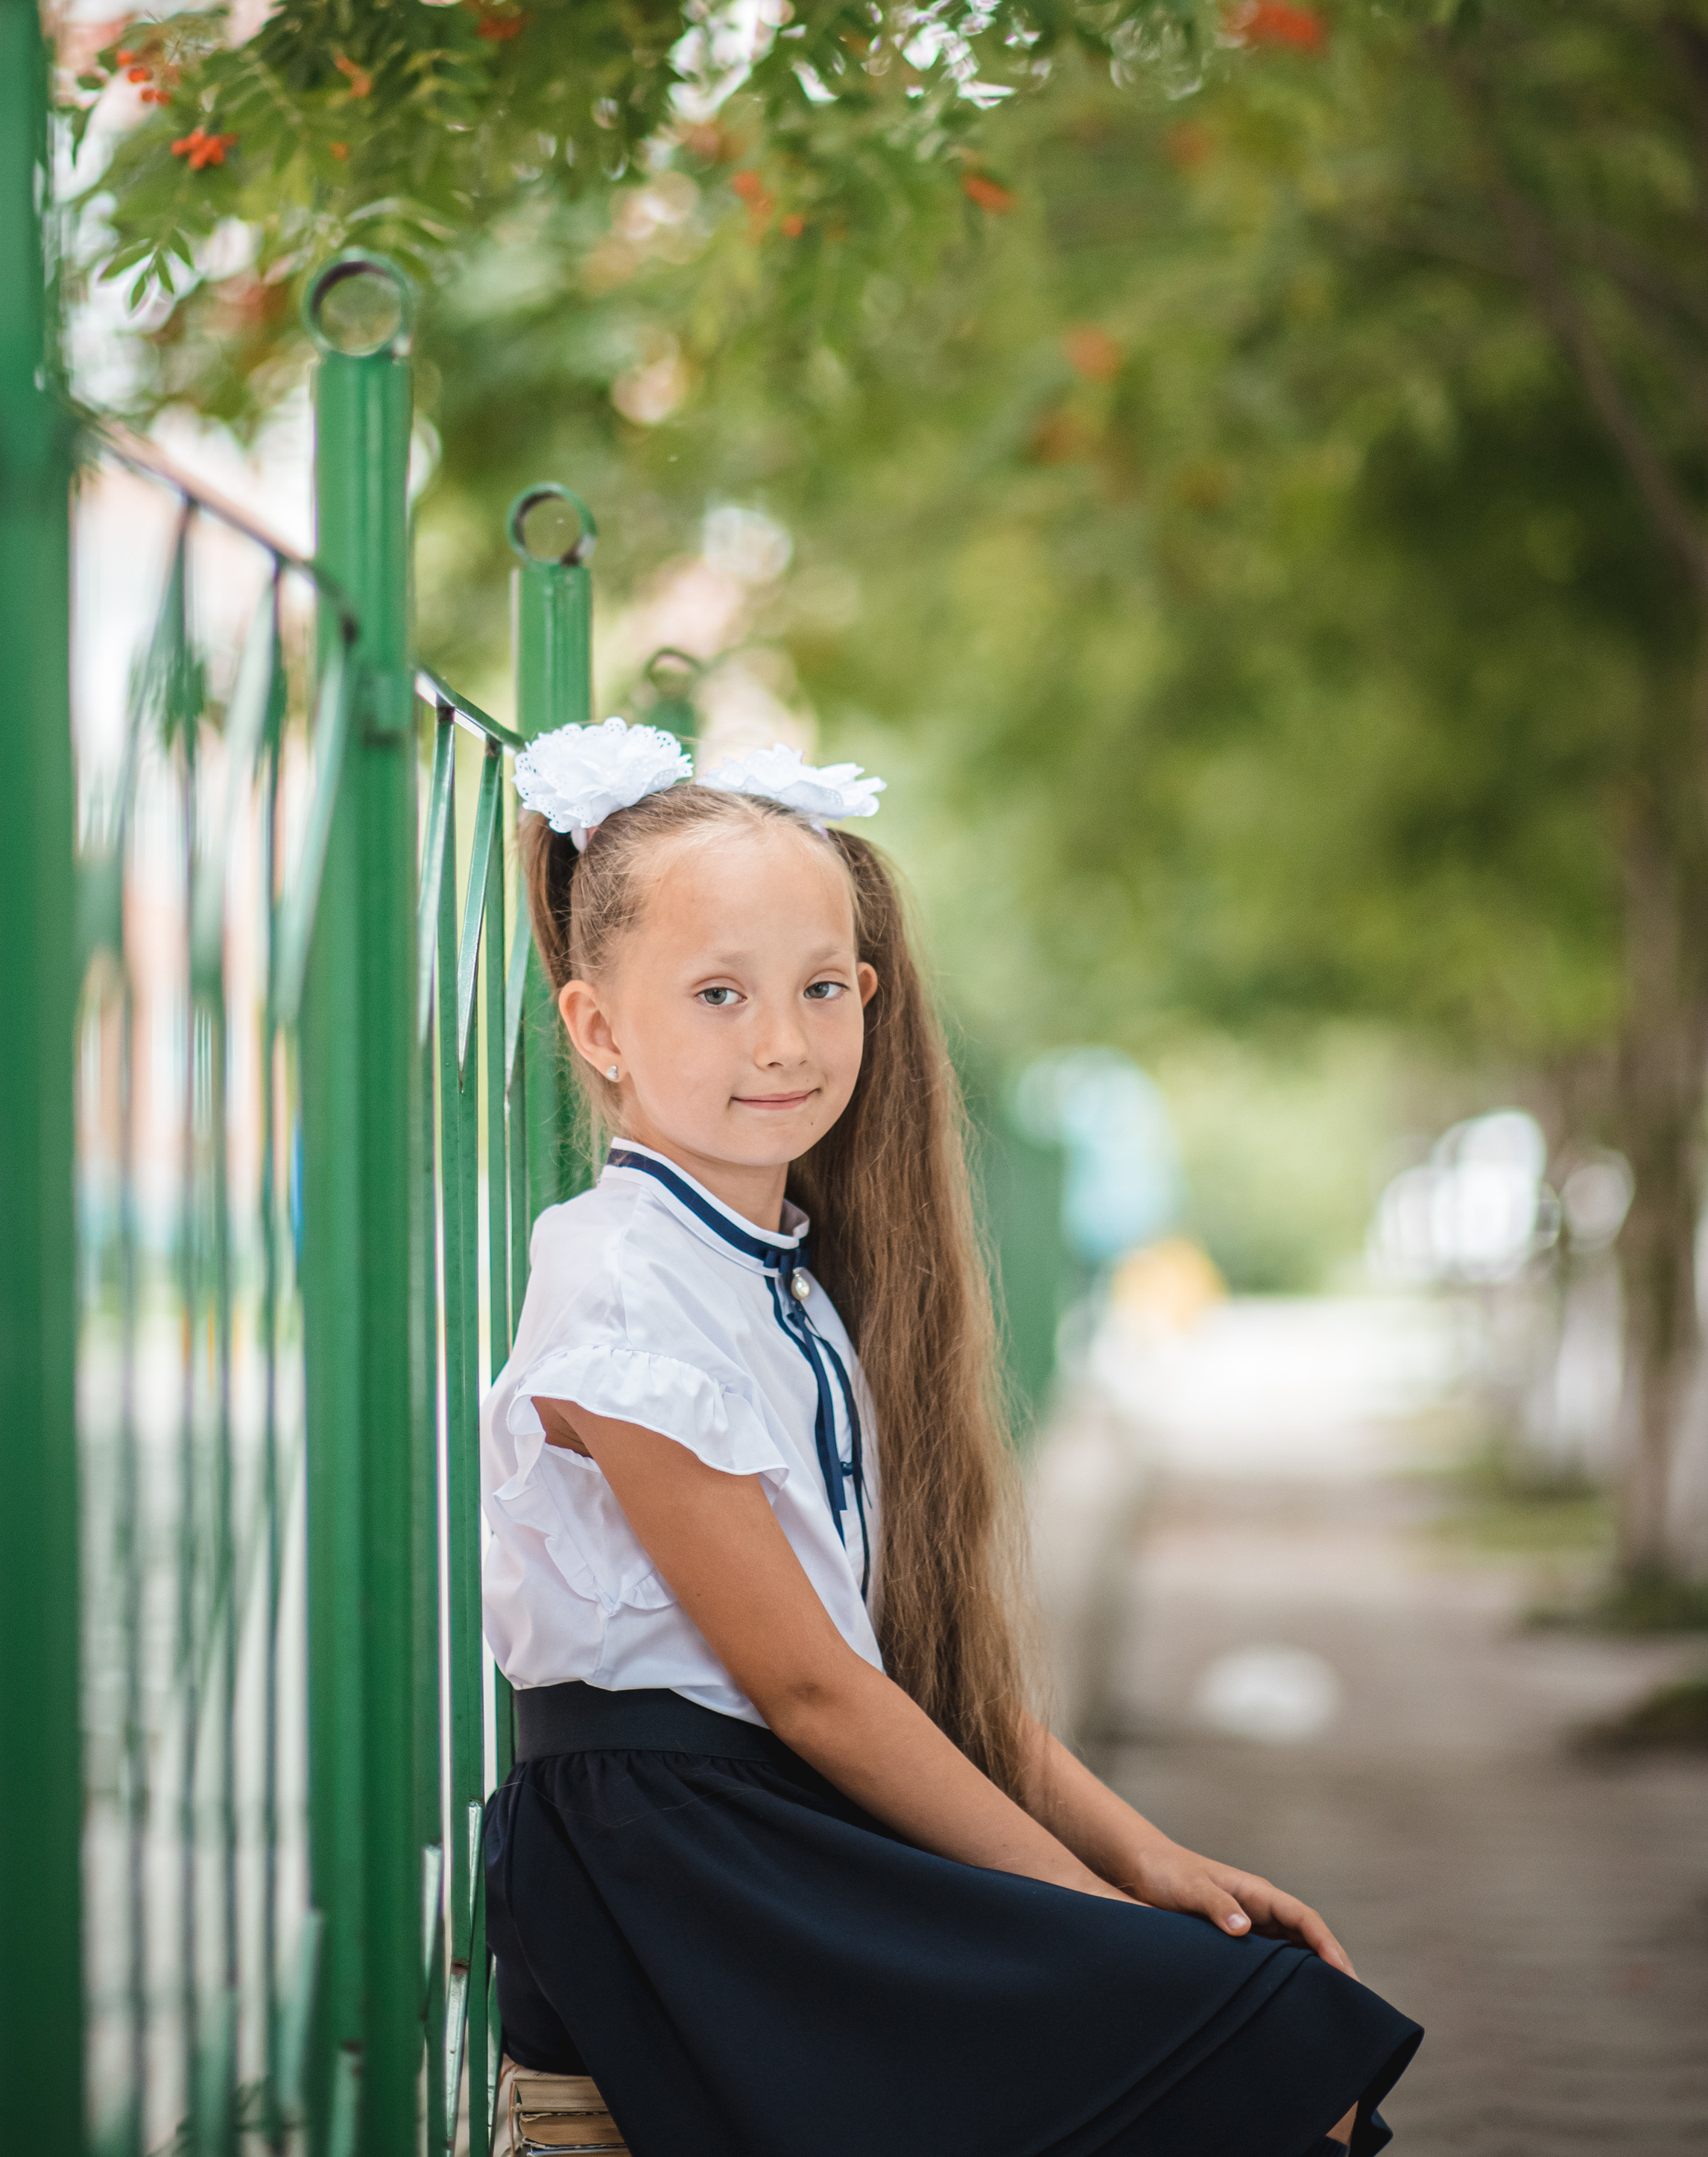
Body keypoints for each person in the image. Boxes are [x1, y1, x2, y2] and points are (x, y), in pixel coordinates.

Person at [481, 722, 1422, 2157]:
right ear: (600, 1026)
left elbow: (889, 1665)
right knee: (1267, 2060)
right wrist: (1087, 1919)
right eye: (719, 993)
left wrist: (1147, 1860)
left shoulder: (779, 1273)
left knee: (1276, 2031)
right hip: (679, 1860)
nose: (783, 1040)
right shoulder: (623, 1286)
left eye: (818, 989)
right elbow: (810, 1689)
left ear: (869, 993)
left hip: (770, 1819)